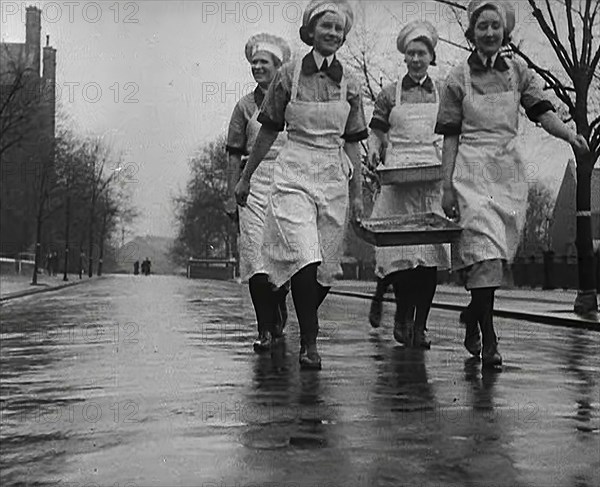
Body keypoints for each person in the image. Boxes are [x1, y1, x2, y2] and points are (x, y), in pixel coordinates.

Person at [435, 0, 590, 368]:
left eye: (495, 26)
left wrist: (569, 134)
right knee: (482, 252)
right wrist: (446, 187)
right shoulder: (457, 78)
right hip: (470, 170)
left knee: (497, 256)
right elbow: (451, 138)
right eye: (482, 26)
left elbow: (542, 113)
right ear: (471, 32)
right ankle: (488, 338)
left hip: (507, 173)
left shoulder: (519, 72)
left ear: (505, 32)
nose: (489, 33)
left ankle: (474, 315)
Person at [235, 0, 367, 370]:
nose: (332, 34)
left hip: (332, 174)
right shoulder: (289, 74)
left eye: (339, 29)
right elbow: (269, 130)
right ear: (310, 31)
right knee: (305, 257)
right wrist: (246, 177)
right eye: (326, 26)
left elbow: (354, 140)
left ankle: (292, 304)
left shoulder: (351, 82)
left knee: (325, 271)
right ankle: (310, 341)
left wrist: (356, 195)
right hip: (293, 171)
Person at [366, 21, 450, 348]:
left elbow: (453, 132)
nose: (416, 59)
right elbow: (377, 132)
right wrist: (375, 150)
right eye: (411, 53)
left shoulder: (443, 92)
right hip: (398, 171)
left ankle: (421, 325)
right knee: (400, 252)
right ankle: (402, 316)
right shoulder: (390, 93)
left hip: (431, 174)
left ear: (431, 56)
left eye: (422, 53)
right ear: (404, 57)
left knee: (428, 254)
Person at [225, 33, 291, 353]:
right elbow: (234, 153)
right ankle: (264, 327)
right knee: (254, 255)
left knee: (285, 254)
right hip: (253, 183)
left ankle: (279, 303)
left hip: (289, 182)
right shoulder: (243, 106)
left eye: (264, 62)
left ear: (278, 67)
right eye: (254, 62)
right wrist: (232, 190)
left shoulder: (292, 100)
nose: (257, 67)